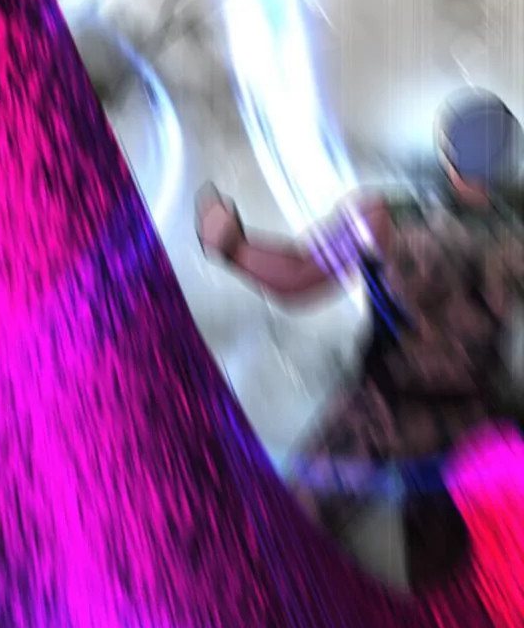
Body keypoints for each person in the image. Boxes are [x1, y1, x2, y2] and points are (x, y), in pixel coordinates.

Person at [196, 90, 524, 591]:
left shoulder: (382, 220)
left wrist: (233, 246)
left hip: (381, 412)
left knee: (282, 544)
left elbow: (297, 276)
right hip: (469, 426)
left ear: (447, 149)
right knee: (444, 579)